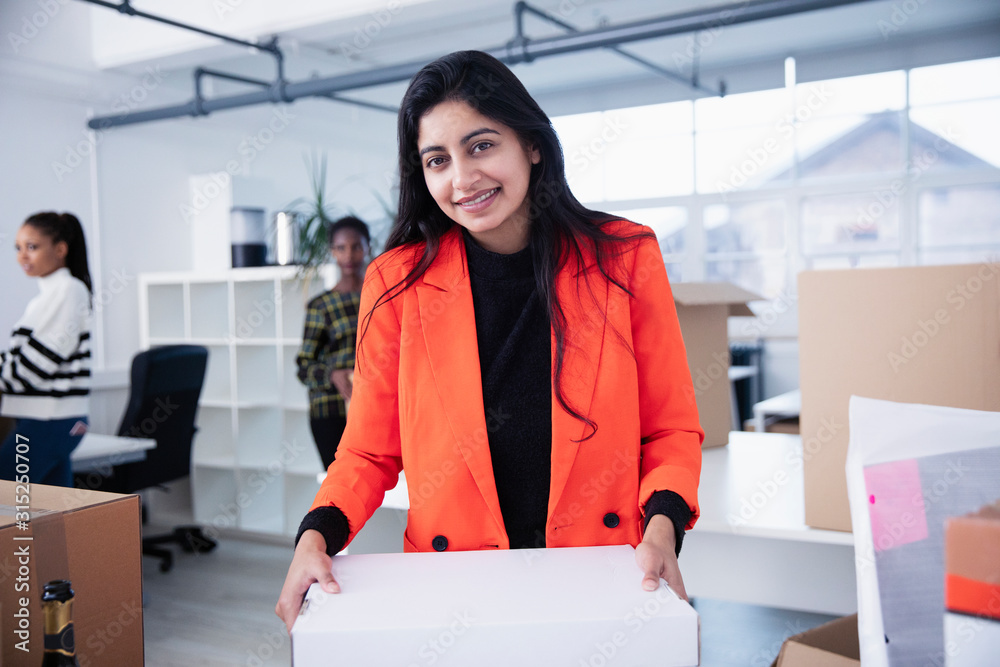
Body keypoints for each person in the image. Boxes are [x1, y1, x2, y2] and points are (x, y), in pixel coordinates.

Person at [276, 50, 703, 631]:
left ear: (531, 144)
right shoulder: (397, 283)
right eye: (437, 160)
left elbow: (670, 426)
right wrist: (316, 535)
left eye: (481, 146)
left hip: (604, 571)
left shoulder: (623, 257)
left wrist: (663, 528)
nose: (462, 179)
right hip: (457, 587)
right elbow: (369, 449)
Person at [0, 212, 92, 487]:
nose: (22, 256)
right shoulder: (43, 300)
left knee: (7, 503)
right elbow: (18, 359)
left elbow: (34, 366)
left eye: (32, 247)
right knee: (52, 518)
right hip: (39, 418)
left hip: (50, 419)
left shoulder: (69, 291)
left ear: (60, 249)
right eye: (18, 248)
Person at [296, 216, 371, 469]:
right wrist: (332, 375)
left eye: (356, 246)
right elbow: (304, 367)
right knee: (339, 490)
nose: (349, 255)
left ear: (368, 247)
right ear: (332, 252)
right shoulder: (321, 306)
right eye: (341, 248)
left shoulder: (382, 298)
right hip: (331, 410)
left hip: (373, 405)